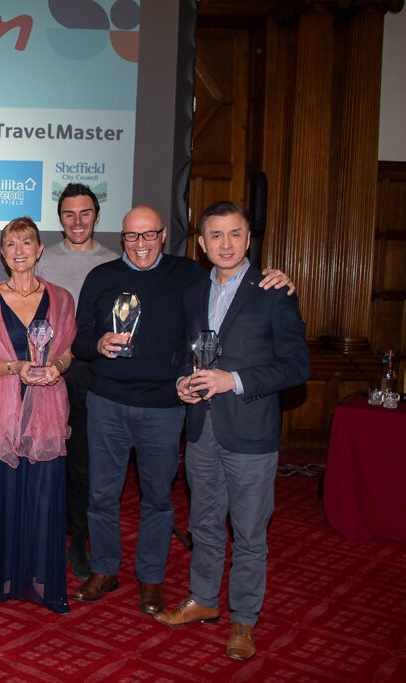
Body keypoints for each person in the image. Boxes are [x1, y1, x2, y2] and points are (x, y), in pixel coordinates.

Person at [71, 205, 293, 616]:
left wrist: (274, 276)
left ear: (162, 236)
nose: (141, 244)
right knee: (101, 494)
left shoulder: (190, 276)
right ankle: (104, 569)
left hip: (165, 407)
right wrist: (97, 344)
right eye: (133, 237)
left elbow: (236, 280)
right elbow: (78, 342)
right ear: (123, 239)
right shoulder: (100, 277)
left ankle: (151, 578)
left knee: (158, 498)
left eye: (150, 234)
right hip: (106, 403)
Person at [156, 202, 310, 661]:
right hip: (202, 428)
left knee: (248, 534)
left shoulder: (273, 292)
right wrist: (184, 381)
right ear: (201, 244)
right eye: (216, 236)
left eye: (235, 234)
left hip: (251, 433)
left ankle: (244, 620)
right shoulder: (191, 292)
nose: (226, 244)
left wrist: (233, 380)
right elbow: (188, 355)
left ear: (248, 239)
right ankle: (203, 600)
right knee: (203, 524)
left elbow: (297, 366)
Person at [0, 216, 76, 614]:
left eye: (26, 242)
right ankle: (1, 577)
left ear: (39, 249)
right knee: (3, 491)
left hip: (45, 410)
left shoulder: (61, 298)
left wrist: (57, 368)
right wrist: (16, 368)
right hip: (2, 408)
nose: (19, 250)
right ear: (2, 252)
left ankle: (39, 578)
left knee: (43, 494)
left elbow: (68, 351)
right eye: (11, 244)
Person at [35, 183, 118, 580]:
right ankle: (44, 533)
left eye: (85, 213)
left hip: (91, 374)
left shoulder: (116, 262)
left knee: (84, 461)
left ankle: (79, 540)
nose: (78, 221)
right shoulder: (42, 260)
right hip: (46, 372)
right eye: (69, 214)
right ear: (60, 218)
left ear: (97, 217)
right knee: (45, 456)